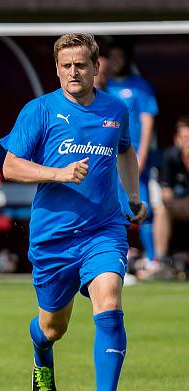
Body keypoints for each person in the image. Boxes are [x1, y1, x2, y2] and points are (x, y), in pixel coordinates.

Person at [0, 33, 147, 391]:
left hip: (103, 230)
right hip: (53, 239)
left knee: (110, 300)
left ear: (97, 67)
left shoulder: (116, 110)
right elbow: (11, 167)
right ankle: (41, 353)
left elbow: (125, 150)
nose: (73, 72)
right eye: (65, 66)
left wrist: (132, 195)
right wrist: (58, 173)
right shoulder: (40, 111)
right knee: (52, 327)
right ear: (57, 69)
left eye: (80, 65)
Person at [106, 44, 160, 274]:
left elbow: (148, 122)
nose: (115, 61)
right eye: (112, 57)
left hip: (134, 158)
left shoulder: (140, 87)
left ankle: (153, 260)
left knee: (140, 206)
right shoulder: (104, 87)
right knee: (114, 212)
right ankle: (119, 262)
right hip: (110, 160)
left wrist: (143, 154)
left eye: (120, 56)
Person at [157, 116, 189, 261]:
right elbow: (166, 193)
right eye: (184, 137)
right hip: (179, 205)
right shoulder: (170, 156)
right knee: (162, 209)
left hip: (184, 203)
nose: (187, 142)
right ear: (177, 139)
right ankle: (160, 260)